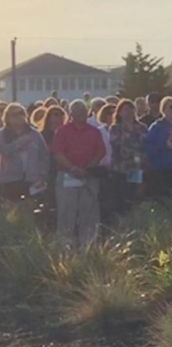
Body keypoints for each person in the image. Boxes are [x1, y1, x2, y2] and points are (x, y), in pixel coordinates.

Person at [52, 100, 106, 248]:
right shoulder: (62, 131)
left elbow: (101, 151)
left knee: (89, 214)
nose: (80, 114)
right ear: (71, 114)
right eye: (76, 111)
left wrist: (88, 167)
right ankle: (65, 248)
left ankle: (89, 247)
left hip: (89, 175)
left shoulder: (94, 131)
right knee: (66, 213)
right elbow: (57, 153)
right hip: (67, 175)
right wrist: (73, 168)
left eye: (83, 111)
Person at [0, 104, 49, 204]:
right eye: (14, 114)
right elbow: (4, 150)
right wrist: (18, 143)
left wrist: (42, 175)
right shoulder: (2, 135)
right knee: (11, 215)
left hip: (32, 181)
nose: (18, 116)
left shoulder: (35, 134)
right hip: (10, 180)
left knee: (29, 213)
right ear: (7, 117)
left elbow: (44, 156)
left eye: (21, 113)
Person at [108, 100, 146, 208]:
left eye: (131, 109)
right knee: (121, 198)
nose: (129, 112)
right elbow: (117, 145)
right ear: (119, 112)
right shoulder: (115, 128)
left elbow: (145, 145)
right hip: (120, 169)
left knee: (136, 198)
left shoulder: (142, 127)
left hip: (137, 168)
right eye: (125, 110)